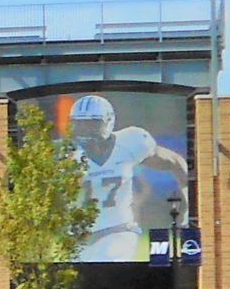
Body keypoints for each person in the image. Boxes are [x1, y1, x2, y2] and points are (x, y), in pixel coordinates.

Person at [61, 95, 191, 262]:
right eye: (80, 122)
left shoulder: (130, 142)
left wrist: (190, 204)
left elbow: (174, 161)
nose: (85, 128)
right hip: (77, 238)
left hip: (117, 231)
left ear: (108, 121)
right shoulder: (63, 154)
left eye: (92, 122)